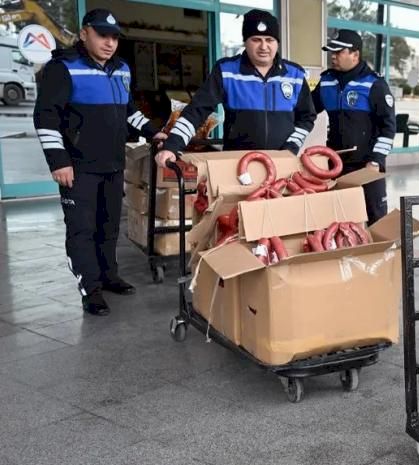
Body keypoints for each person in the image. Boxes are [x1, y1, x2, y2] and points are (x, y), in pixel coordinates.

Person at [34, 9, 164, 316]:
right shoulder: (63, 68)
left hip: (113, 165)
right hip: (78, 167)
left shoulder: (121, 69)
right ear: (84, 34)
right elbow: (45, 117)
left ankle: (108, 276)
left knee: (108, 226)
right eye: (102, 35)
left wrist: (153, 132)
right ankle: (90, 289)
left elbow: (129, 111)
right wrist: (58, 161)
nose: (109, 43)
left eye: (114, 37)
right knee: (82, 229)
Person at [155, 9, 315, 167]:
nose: (264, 46)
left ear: (277, 43)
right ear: (245, 42)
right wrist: (172, 145)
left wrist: (290, 148)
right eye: (256, 39)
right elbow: (197, 110)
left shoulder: (295, 75)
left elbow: (306, 117)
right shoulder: (226, 71)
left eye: (269, 40)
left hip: (282, 163)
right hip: (236, 164)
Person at [312, 29, 396, 223]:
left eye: (338, 52)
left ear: (355, 55)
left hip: (367, 166)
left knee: (376, 218)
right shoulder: (326, 82)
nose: (333, 56)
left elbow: (388, 127)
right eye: (332, 52)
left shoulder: (374, 84)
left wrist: (376, 161)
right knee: (340, 220)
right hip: (336, 166)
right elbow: (307, 111)